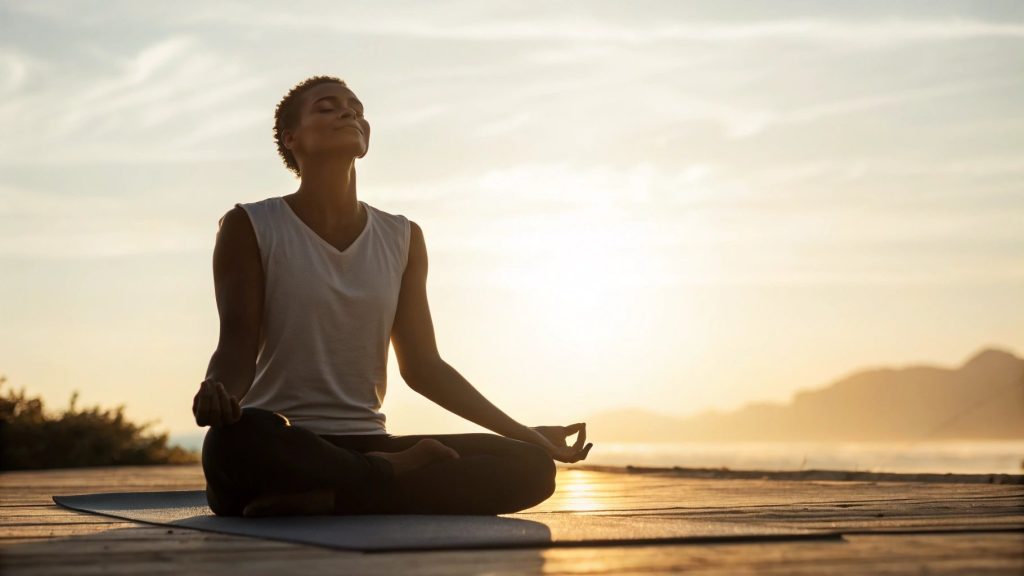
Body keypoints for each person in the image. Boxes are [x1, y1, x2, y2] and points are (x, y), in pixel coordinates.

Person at [192, 75, 593, 517]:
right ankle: (379, 479)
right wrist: (218, 394)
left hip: (366, 440)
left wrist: (523, 433)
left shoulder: (402, 237)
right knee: (236, 440)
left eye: (356, 107)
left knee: (529, 466)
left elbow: (424, 368)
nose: (349, 112)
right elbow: (235, 347)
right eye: (327, 107)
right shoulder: (249, 225)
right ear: (292, 139)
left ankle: (336, 494)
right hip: (283, 440)